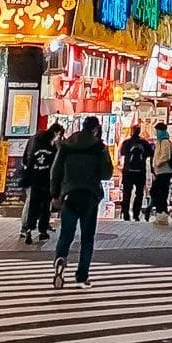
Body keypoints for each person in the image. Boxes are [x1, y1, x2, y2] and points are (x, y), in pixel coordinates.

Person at [50, 116, 112, 288]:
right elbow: (107, 173)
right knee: (87, 238)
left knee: (66, 234)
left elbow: (56, 171)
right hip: (89, 195)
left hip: (69, 194)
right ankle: (82, 275)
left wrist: (55, 193)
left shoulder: (67, 145)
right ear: (95, 129)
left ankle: (60, 259)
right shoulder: (99, 147)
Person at [18, 123, 59, 244]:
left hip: (34, 181)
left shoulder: (35, 149)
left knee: (32, 206)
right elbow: (55, 167)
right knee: (45, 207)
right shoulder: (52, 150)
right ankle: (42, 231)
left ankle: (28, 229)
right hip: (46, 182)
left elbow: (27, 161)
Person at [118, 125, 151, 222]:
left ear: (132, 131)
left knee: (126, 193)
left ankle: (126, 214)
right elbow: (150, 153)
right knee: (139, 193)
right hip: (140, 172)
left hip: (128, 171)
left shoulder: (127, 142)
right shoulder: (144, 143)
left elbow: (122, 153)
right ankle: (136, 214)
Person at [148, 122, 172, 220]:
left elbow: (165, 156)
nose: (156, 133)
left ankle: (161, 210)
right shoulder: (159, 142)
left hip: (165, 171)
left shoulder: (165, 142)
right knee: (160, 192)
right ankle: (161, 212)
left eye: (157, 130)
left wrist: (158, 163)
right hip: (160, 171)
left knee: (156, 191)